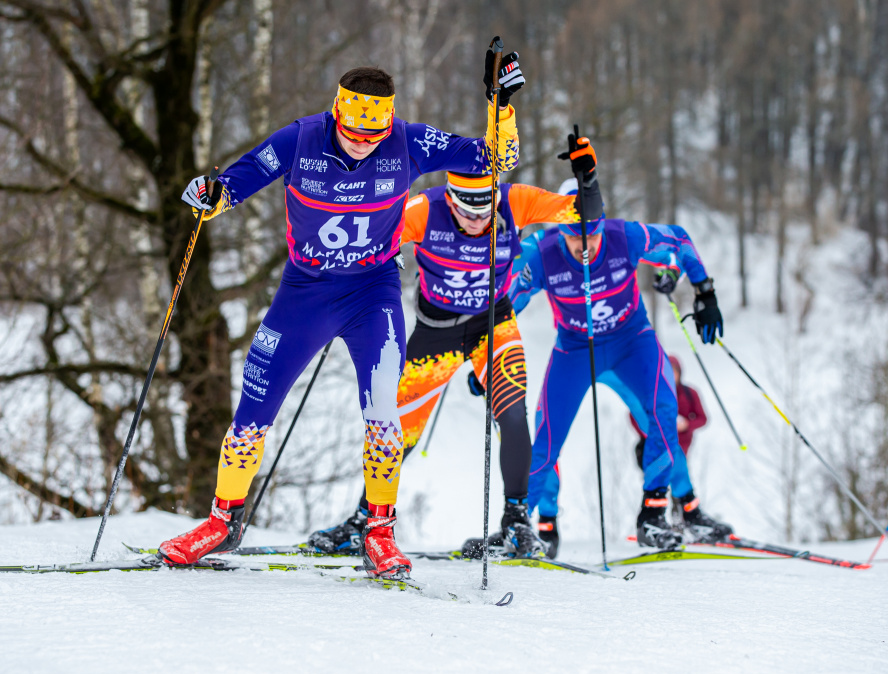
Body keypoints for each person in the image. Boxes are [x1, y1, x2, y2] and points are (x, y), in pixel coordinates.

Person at [157, 39, 527, 579]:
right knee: (252, 411)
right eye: (353, 133)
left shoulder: (407, 142)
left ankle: (378, 531)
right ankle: (221, 521)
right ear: (337, 114)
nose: (361, 144)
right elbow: (238, 181)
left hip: (372, 294)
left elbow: (496, 160)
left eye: (372, 135)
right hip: (303, 294)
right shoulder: (302, 138)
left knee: (383, 415)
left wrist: (501, 109)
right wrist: (210, 195)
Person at [307, 154, 602, 559]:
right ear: (451, 200)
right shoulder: (425, 209)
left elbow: (582, 216)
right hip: (436, 336)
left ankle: (516, 521)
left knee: (513, 415)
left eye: (485, 214)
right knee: (396, 430)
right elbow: (365, 234)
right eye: (466, 213)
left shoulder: (515, 201)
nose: (477, 223)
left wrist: (587, 181)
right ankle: (366, 520)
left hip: (493, 328)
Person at [510, 178, 733, 551]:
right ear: (559, 229)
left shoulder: (623, 236)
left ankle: (661, 513)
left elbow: (675, 241)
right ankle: (528, 522)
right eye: (575, 239)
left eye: (592, 238)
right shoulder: (540, 252)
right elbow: (508, 300)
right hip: (575, 348)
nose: (585, 247)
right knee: (546, 436)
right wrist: (483, 347)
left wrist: (698, 287)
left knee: (662, 412)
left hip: (631, 342)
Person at [630, 354, 707, 469]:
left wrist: (686, 425)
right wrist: (649, 432)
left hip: (682, 447)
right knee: (657, 481)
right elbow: (634, 415)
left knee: (678, 480)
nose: (670, 374)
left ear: (680, 373)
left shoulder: (690, 393)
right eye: (667, 370)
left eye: (674, 371)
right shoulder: (651, 393)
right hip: (656, 448)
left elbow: (702, 419)